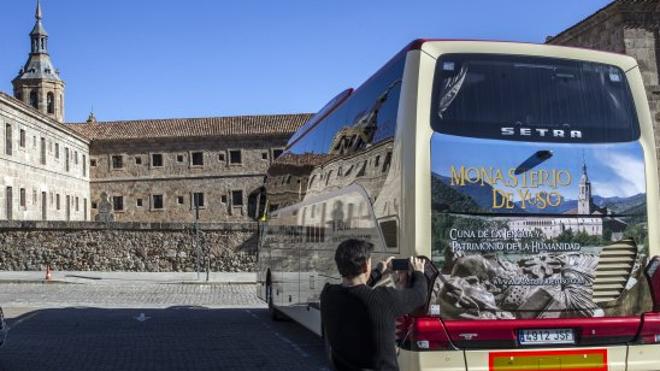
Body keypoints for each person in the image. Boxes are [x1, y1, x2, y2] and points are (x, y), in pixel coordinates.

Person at [320, 239, 428, 371]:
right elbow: (419, 295)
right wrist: (418, 272)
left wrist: (379, 272)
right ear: (365, 266)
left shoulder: (328, 294)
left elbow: (355, 290)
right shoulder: (383, 300)